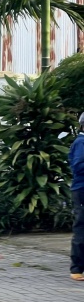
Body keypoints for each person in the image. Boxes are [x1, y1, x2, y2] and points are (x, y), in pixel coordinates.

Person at [70, 113, 84, 281]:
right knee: (81, 227)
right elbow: (79, 165)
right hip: (81, 190)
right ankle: (77, 268)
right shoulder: (81, 142)